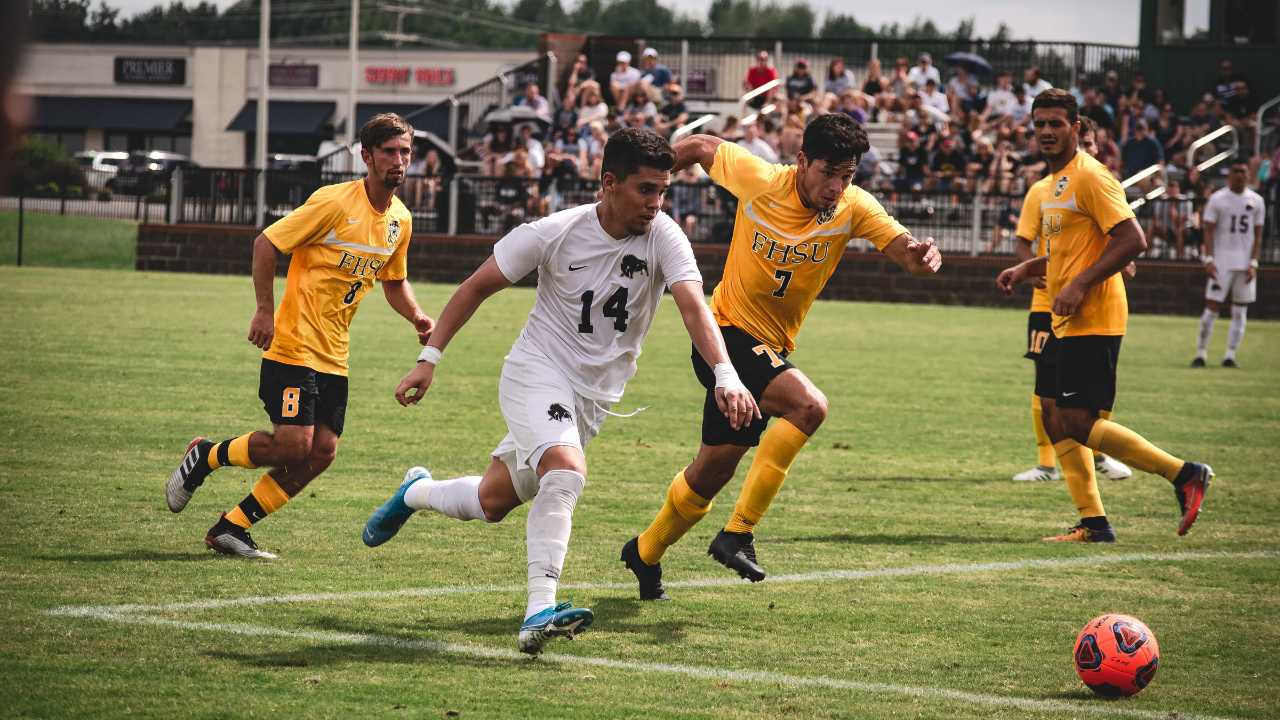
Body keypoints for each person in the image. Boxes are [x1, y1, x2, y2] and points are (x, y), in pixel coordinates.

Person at [360, 128, 758, 653]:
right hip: (537, 371)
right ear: (608, 183)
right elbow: (476, 286)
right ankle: (539, 610)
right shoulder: (554, 231)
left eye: (663, 191)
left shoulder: (665, 235)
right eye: (645, 190)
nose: (656, 203)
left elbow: (693, 307)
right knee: (566, 471)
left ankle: (415, 491)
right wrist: (428, 359)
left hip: (593, 398)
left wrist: (726, 373)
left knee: (493, 501)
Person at [620, 113, 942, 599]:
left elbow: (902, 250)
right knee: (808, 406)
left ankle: (644, 553)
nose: (836, 186)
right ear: (801, 161)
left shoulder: (854, 207)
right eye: (827, 172)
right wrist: (656, 182)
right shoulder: (763, 181)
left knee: (710, 473)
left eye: (847, 176)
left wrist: (920, 259)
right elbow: (704, 145)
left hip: (768, 348)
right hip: (724, 336)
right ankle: (738, 533)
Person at [165, 114, 434, 559]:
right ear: (366, 156)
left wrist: (417, 315)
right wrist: (265, 311)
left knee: (322, 452)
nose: (400, 161)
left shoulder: (400, 220)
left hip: (335, 354)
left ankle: (231, 527)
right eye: (390, 152)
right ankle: (207, 456)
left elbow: (393, 281)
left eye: (405, 152)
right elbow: (266, 244)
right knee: (293, 445)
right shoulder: (333, 202)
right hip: (293, 344)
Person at [996, 90, 1213, 543]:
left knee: (1077, 419)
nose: (1047, 132)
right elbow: (1066, 254)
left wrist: (1078, 285)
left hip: (1094, 316)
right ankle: (1093, 522)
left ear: (1077, 127)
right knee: (1054, 414)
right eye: (1040, 124)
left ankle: (1184, 473)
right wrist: (1026, 268)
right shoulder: (1055, 183)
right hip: (1064, 319)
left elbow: (1133, 240)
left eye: (1056, 123)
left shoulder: (1092, 177)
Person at [1009, 116, 1131, 483]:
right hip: (1047, 305)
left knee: (1087, 396)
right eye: (1086, 144)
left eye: (1093, 144)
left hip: (1092, 306)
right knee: (1046, 389)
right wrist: (1029, 273)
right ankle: (1047, 463)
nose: (1089, 151)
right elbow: (1024, 239)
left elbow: (1124, 243)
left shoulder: (1098, 183)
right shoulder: (1042, 190)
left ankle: (1097, 457)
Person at [1192, 161, 1264, 368]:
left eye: (1243, 171)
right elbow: (1208, 231)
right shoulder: (1217, 199)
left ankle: (1230, 355)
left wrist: (1254, 262)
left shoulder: (1257, 201)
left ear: (1249, 174)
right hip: (1221, 262)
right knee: (1211, 309)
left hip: (1245, 264)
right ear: (1229, 175)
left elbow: (1258, 235)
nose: (1240, 175)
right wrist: (1209, 259)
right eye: (1236, 171)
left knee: (1240, 311)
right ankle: (1201, 353)